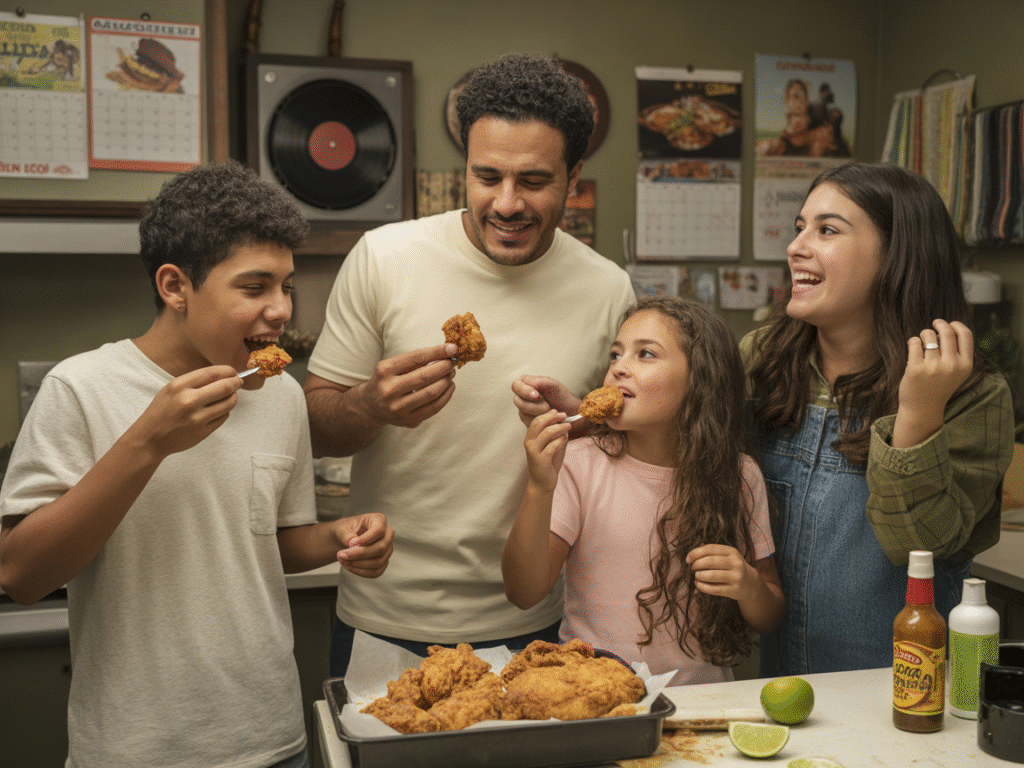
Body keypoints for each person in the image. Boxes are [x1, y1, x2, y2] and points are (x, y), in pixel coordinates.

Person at [0, 162, 395, 768]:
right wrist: (149, 442)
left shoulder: (281, 394)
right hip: (135, 749)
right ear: (174, 286)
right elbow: (22, 576)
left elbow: (267, 545)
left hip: (272, 739)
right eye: (255, 287)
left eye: (286, 286)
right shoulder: (80, 388)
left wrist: (338, 537)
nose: (281, 309)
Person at [303, 52, 636, 676]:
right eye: (487, 177)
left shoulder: (608, 289)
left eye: (533, 181)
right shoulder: (383, 257)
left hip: (535, 618)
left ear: (575, 175)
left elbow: (625, 453)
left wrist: (587, 426)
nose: (505, 203)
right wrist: (371, 407)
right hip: (385, 616)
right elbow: (316, 425)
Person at [744, 161, 1015, 676]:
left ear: (896, 256)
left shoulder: (974, 394)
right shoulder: (760, 358)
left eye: (827, 230)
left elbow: (925, 549)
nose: (797, 246)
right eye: (800, 227)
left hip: (904, 693)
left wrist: (918, 414)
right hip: (776, 685)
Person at [504, 298, 784, 686]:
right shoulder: (580, 463)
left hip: (703, 697)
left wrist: (749, 586)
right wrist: (539, 486)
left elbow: (771, 612)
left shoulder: (739, 475)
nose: (619, 366)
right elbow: (523, 591)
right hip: (599, 694)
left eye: (645, 354)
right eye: (616, 354)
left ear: (701, 380)